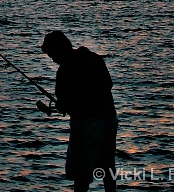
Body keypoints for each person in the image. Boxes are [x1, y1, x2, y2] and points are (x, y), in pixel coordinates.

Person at [41, 30, 118, 192]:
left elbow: (65, 104)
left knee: (81, 174)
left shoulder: (64, 71)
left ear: (59, 49)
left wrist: (63, 106)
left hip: (86, 124)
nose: (52, 59)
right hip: (109, 118)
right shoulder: (94, 58)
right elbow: (107, 85)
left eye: (51, 54)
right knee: (107, 167)